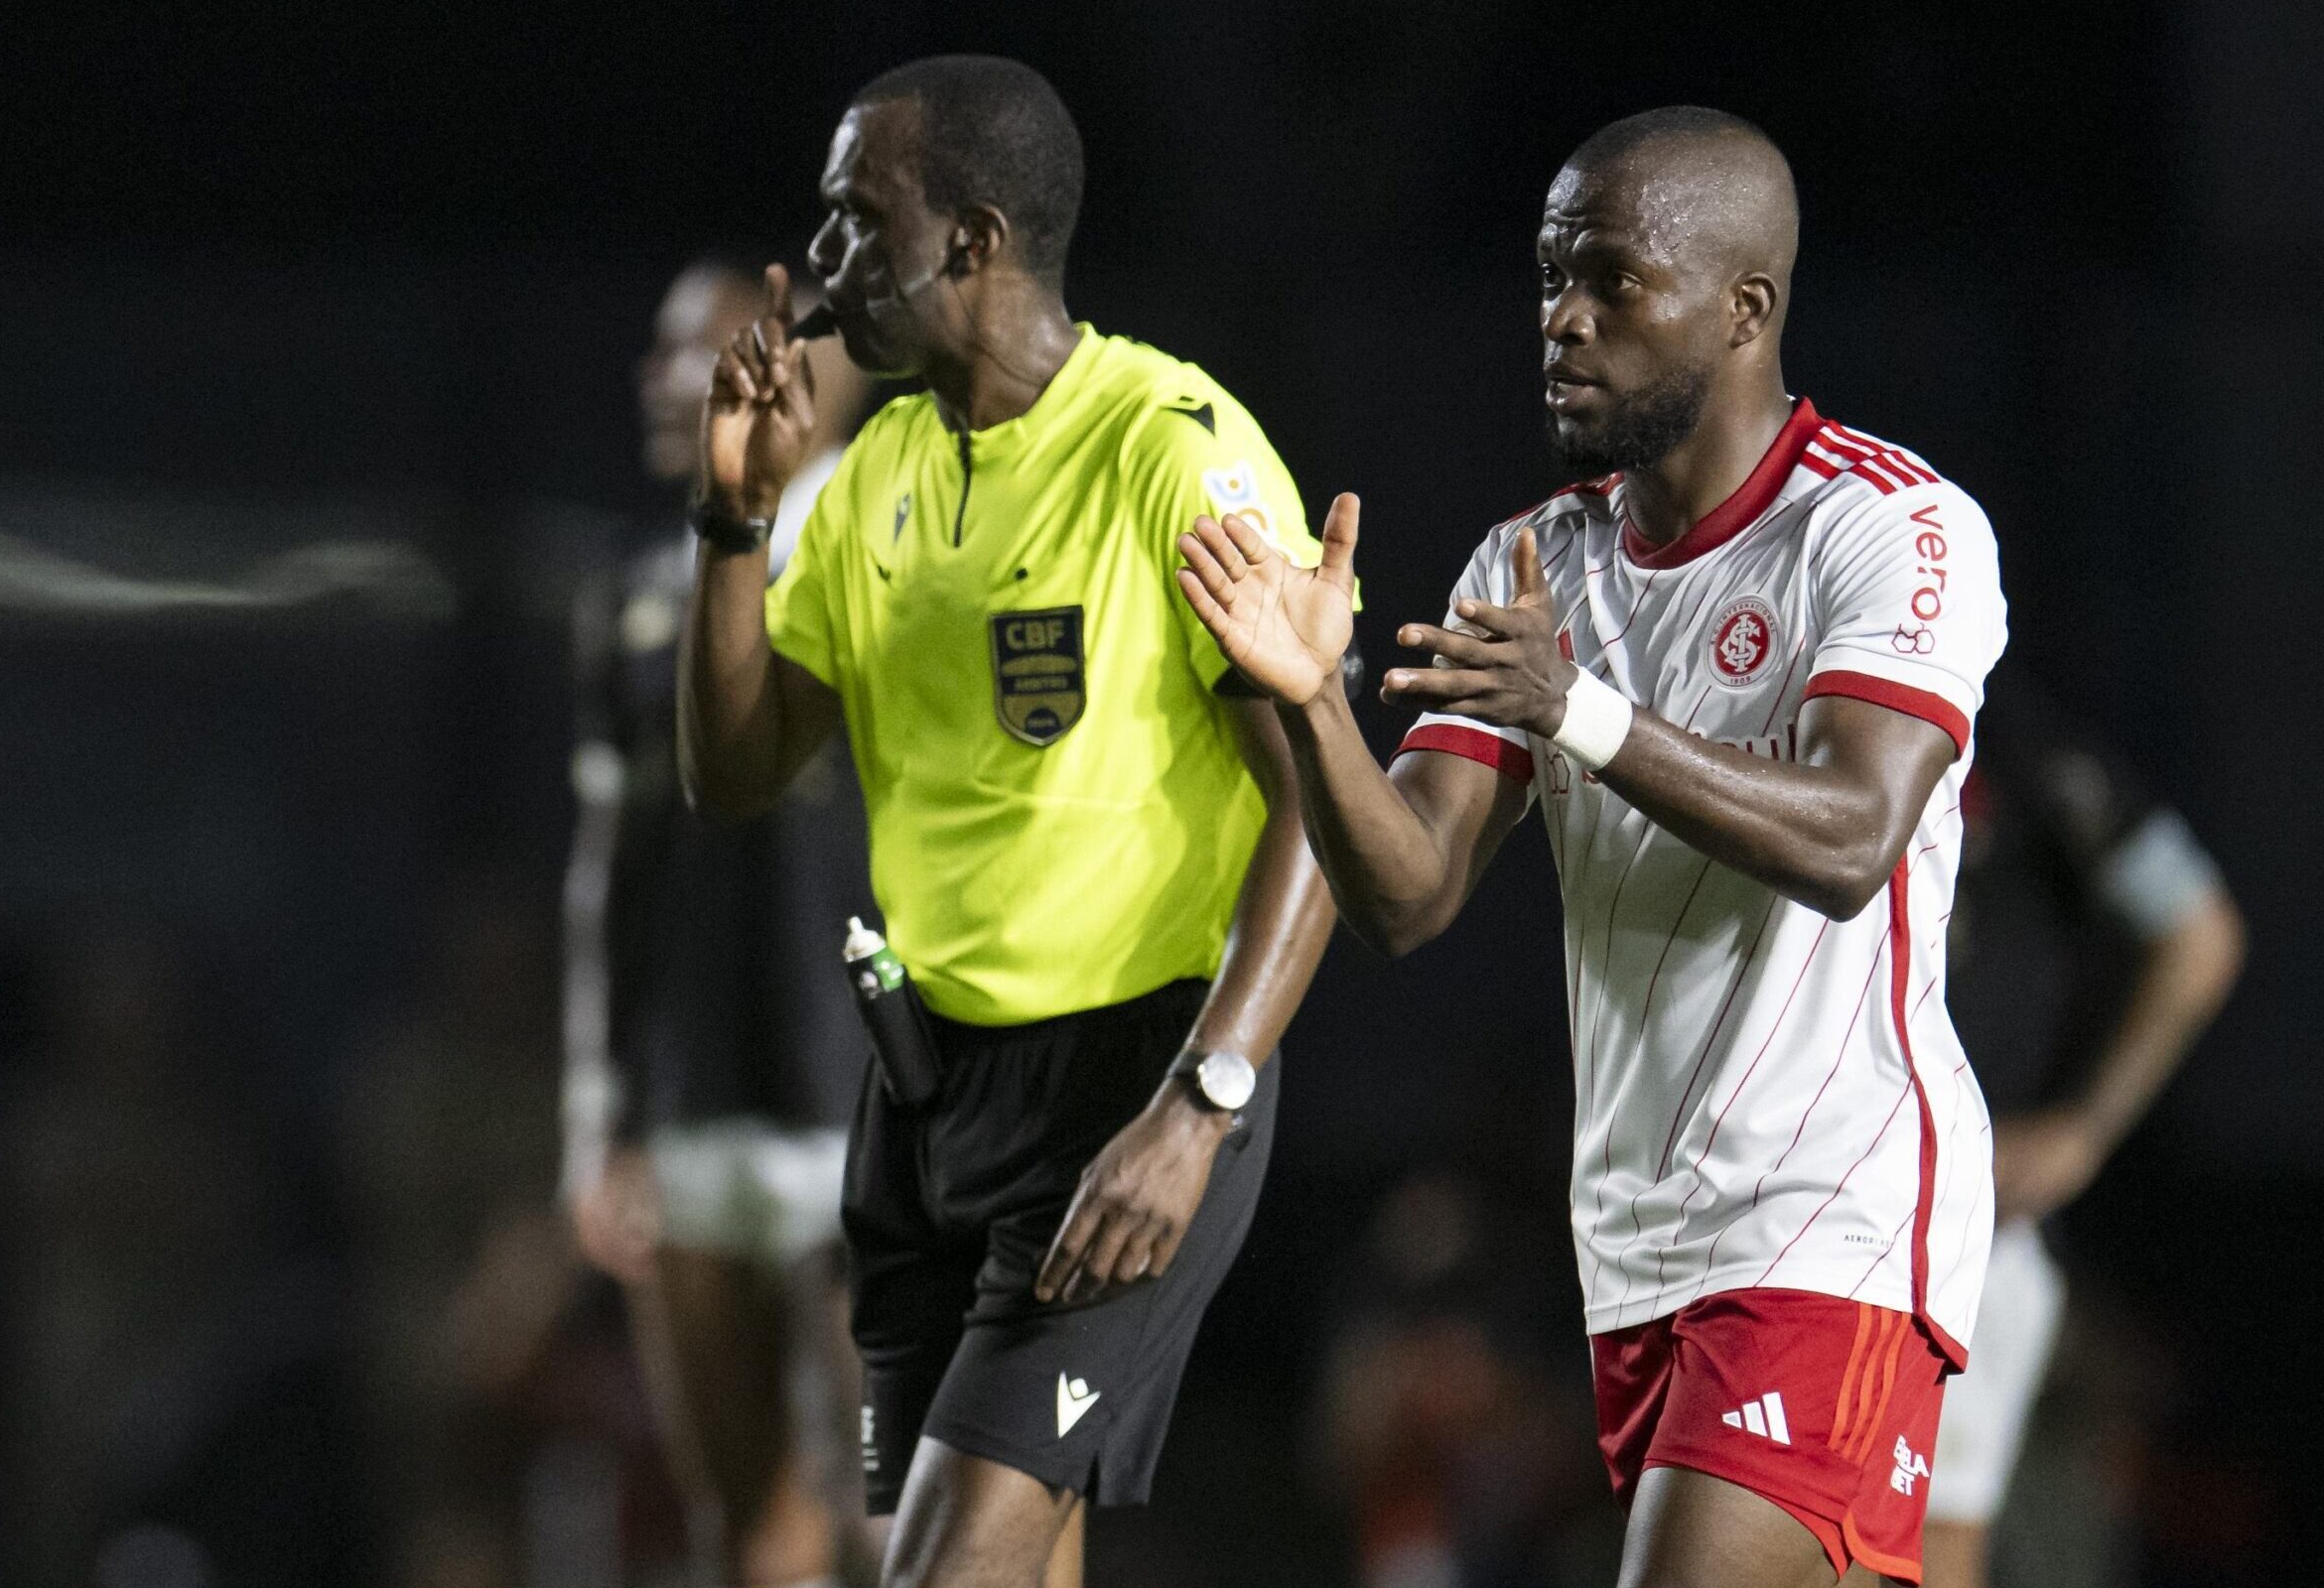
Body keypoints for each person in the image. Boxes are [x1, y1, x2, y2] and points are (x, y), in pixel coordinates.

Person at [1177, 107, 2007, 1585]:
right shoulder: (1533, 557)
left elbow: (1850, 838)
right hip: (1636, 1245)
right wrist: (1308, 708)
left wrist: (1582, 711)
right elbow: (1409, 893)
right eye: (1554, 276)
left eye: (1615, 282)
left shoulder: (1889, 528)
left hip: (1832, 1225)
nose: (1563, 319)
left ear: (1746, 308)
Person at [678, 54, 1340, 1588]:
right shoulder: (873, 480)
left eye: (857, 220)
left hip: (1135, 1084)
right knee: (997, 1558)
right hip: (925, 1098)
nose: (823, 260)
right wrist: (732, 521)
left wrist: (1200, 1108)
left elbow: (1314, 809)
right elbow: (735, 770)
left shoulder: (1171, 449)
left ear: (970, 241)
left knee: (941, 1565)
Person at [563, 259, 878, 1588]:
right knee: (743, 1527)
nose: (657, 378)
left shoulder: (896, 553)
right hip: (695, 1103)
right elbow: (604, 878)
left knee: (890, 1513)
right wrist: (598, 1122)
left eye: (686, 350)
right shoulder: (637, 599)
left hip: (864, 1100)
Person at [1917, 665, 2244, 1587]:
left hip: (1964, 1234)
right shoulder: (1748, 695)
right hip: (1782, 1209)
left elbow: (2199, 931)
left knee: (1927, 1548)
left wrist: (2080, 1130)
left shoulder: (2013, 740)